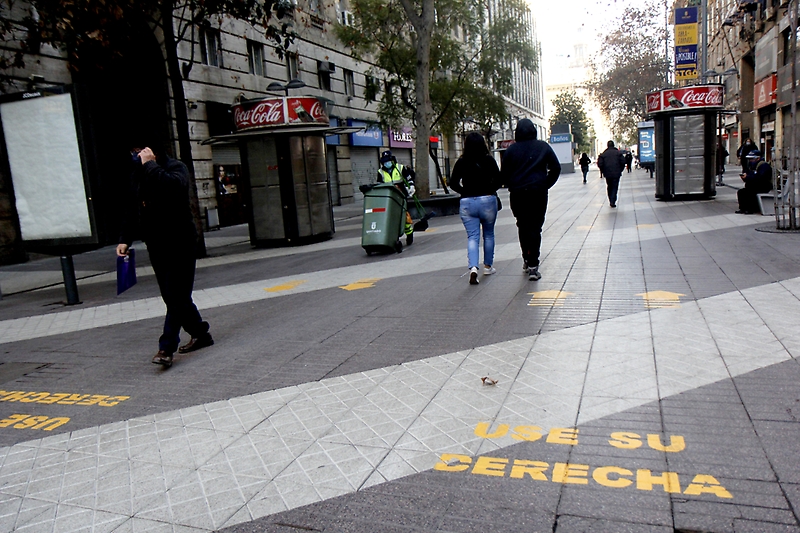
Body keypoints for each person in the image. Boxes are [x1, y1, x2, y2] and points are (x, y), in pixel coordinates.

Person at [117, 144, 213, 368]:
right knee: (172, 296)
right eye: (132, 151)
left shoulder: (175, 168)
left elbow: (174, 187)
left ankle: (166, 347)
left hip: (181, 241)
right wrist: (124, 238)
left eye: (139, 150)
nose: (135, 155)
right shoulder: (137, 175)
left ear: (153, 151)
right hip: (156, 244)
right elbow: (133, 210)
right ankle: (201, 333)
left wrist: (150, 166)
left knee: (177, 295)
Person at [500, 118, 561, 281]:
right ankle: (534, 264)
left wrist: (512, 184)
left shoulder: (512, 151)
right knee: (535, 228)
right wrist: (545, 184)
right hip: (538, 193)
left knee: (522, 225)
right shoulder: (543, 147)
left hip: (518, 194)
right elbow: (556, 168)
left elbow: (504, 174)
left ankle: (526, 258)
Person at [449, 132, 501, 285]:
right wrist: (489, 190)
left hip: (467, 202)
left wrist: (464, 191)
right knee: (489, 234)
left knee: (472, 237)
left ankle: (473, 268)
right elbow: (499, 180)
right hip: (487, 201)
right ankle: (488, 266)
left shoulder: (462, 162)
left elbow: (453, 183)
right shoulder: (489, 160)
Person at [377, 150, 416, 245]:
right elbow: (379, 185)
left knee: (404, 215)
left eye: (388, 160)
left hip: (401, 195)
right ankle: (393, 237)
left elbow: (408, 179)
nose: (387, 163)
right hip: (388, 198)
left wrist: (411, 187)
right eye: (385, 161)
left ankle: (409, 234)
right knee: (391, 217)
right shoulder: (380, 172)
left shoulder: (400, 168)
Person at [736, 149, 772, 214]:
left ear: (758, 158)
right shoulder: (752, 166)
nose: (750, 161)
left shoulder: (763, 165)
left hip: (763, 186)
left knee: (750, 193)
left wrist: (748, 177)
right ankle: (743, 208)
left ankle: (750, 209)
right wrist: (745, 177)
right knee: (741, 192)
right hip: (755, 185)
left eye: (752, 159)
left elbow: (760, 178)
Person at [597, 140, 626, 208]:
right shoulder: (618, 153)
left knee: (609, 186)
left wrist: (603, 171)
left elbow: (600, 164)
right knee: (615, 186)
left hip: (607, 173)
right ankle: (613, 200)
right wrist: (620, 170)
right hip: (616, 173)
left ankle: (611, 199)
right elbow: (623, 162)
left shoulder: (604, 154)